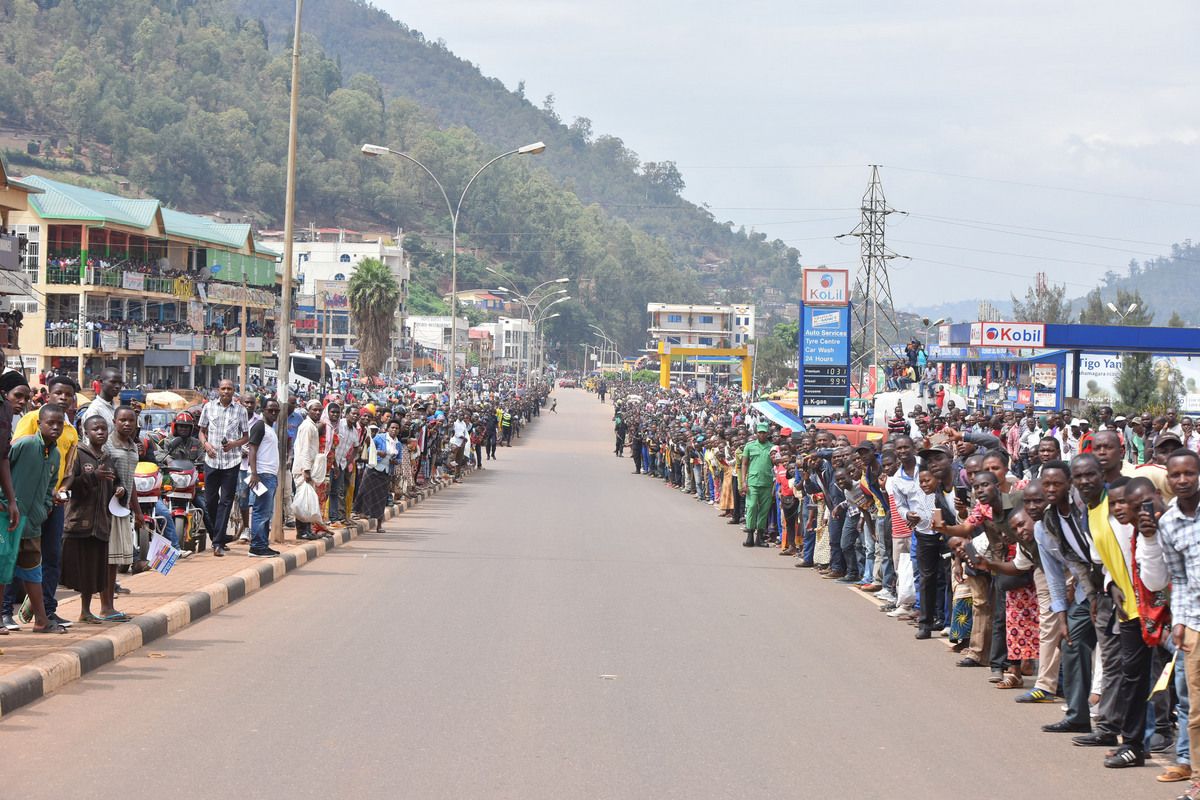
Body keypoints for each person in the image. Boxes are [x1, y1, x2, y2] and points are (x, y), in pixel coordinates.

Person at [0, 404, 65, 633]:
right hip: (8, 517)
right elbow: (3, 466)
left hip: (33, 522)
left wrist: (45, 507)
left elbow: (50, 487)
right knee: (3, 567)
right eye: (51, 423)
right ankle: (2, 617)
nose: (55, 427)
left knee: (33, 571)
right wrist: (4, 502)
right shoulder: (24, 444)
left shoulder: (56, 454)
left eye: (60, 423)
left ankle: (41, 620)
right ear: (40, 424)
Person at [60, 416, 118, 621]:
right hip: (77, 522)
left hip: (100, 524)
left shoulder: (108, 458)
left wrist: (119, 491)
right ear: (86, 431)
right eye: (96, 429)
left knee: (92, 571)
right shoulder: (78, 454)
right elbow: (69, 483)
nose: (100, 432)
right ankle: (40, 606)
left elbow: (115, 483)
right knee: (63, 567)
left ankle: (85, 611)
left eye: (104, 429)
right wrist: (93, 477)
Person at [198, 379, 249, 556]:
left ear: (234, 391)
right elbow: (201, 431)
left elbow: (246, 437)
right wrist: (206, 446)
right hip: (211, 460)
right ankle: (216, 534)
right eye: (223, 388)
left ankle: (218, 542)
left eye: (229, 389)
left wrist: (234, 444)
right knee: (210, 500)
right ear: (218, 390)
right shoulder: (208, 407)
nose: (226, 391)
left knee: (226, 501)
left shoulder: (241, 410)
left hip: (231, 461)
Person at [245, 398, 281, 558]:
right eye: (270, 410)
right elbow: (252, 449)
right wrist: (254, 473)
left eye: (276, 411)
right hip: (261, 474)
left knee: (267, 512)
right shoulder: (260, 426)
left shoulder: (270, 429)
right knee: (261, 511)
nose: (273, 413)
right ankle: (257, 546)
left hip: (270, 475)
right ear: (263, 410)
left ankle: (262, 544)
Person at [292, 399, 327, 542]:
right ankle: (302, 531)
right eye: (314, 410)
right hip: (303, 469)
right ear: (308, 410)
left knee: (306, 500)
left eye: (319, 410)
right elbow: (305, 450)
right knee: (303, 500)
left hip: (309, 468)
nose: (317, 412)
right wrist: (306, 470)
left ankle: (306, 530)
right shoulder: (307, 426)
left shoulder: (312, 426)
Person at [739, 422, 775, 548]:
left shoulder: (773, 447)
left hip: (767, 482)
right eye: (760, 432)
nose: (762, 434)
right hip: (753, 482)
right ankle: (749, 535)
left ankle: (759, 537)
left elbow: (776, 465)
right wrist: (743, 482)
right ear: (756, 433)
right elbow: (743, 464)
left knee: (764, 511)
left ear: (768, 433)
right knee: (752, 506)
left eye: (764, 432)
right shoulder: (749, 446)